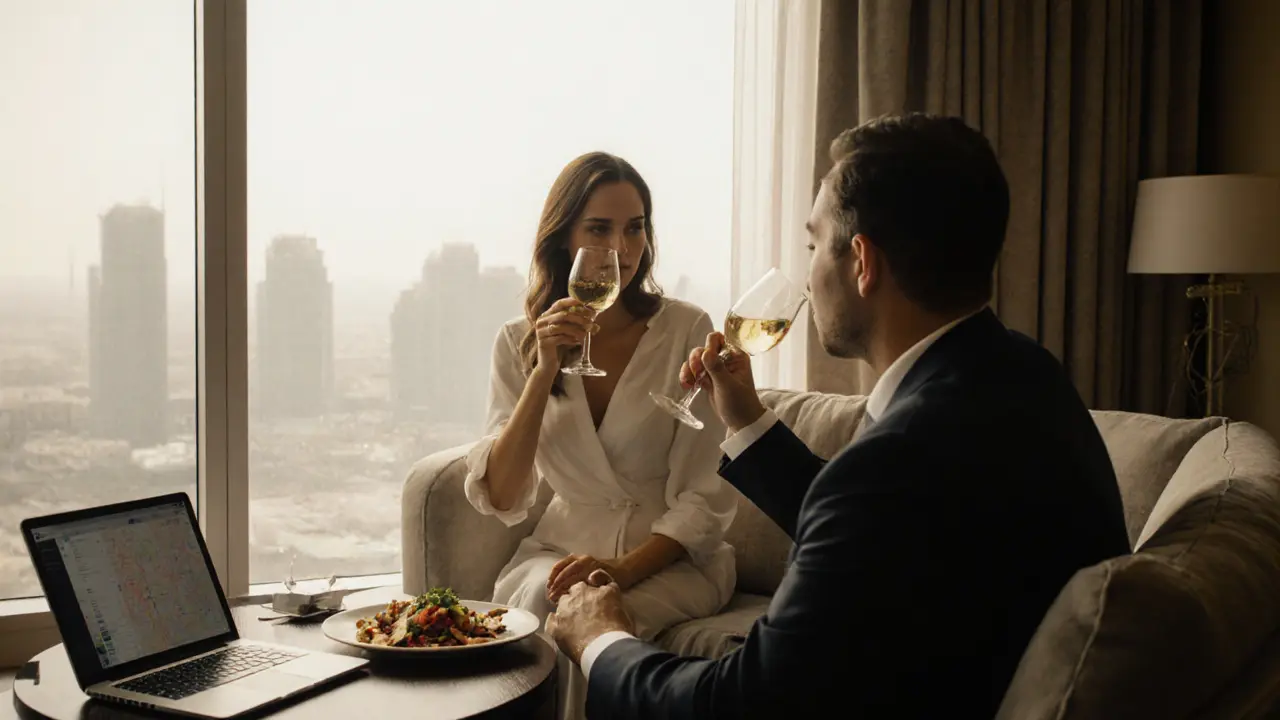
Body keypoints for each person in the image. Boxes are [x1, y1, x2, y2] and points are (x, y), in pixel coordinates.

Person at [545, 114, 1131, 718]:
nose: (807, 274)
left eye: (813, 246)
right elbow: (880, 530)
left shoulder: (898, 460)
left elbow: (738, 705)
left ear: (861, 262)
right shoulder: (1022, 372)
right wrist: (747, 421)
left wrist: (601, 640)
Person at [465, 152, 737, 719]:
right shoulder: (516, 341)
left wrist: (621, 569)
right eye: (599, 229)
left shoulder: (685, 328)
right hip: (560, 550)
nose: (621, 249)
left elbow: (705, 498)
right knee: (541, 599)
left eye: (634, 228)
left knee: (588, 618)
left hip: (668, 560)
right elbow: (504, 496)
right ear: (564, 237)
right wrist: (543, 371)